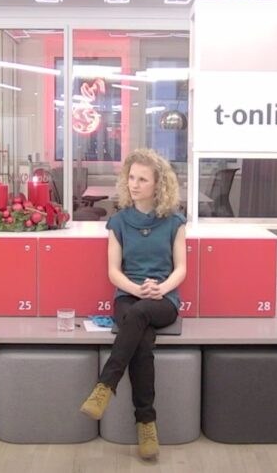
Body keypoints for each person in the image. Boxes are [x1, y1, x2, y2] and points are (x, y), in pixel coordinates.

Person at [80, 148, 186, 460]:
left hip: (163, 299)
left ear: (158, 184)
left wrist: (160, 288)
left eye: (142, 179)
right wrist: (137, 289)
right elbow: (114, 272)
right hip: (128, 295)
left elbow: (181, 268)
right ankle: (146, 424)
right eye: (131, 178)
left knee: (139, 314)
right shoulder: (118, 222)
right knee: (142, 342)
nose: (134, 184)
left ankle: (105, 386)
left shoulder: (175, 222)